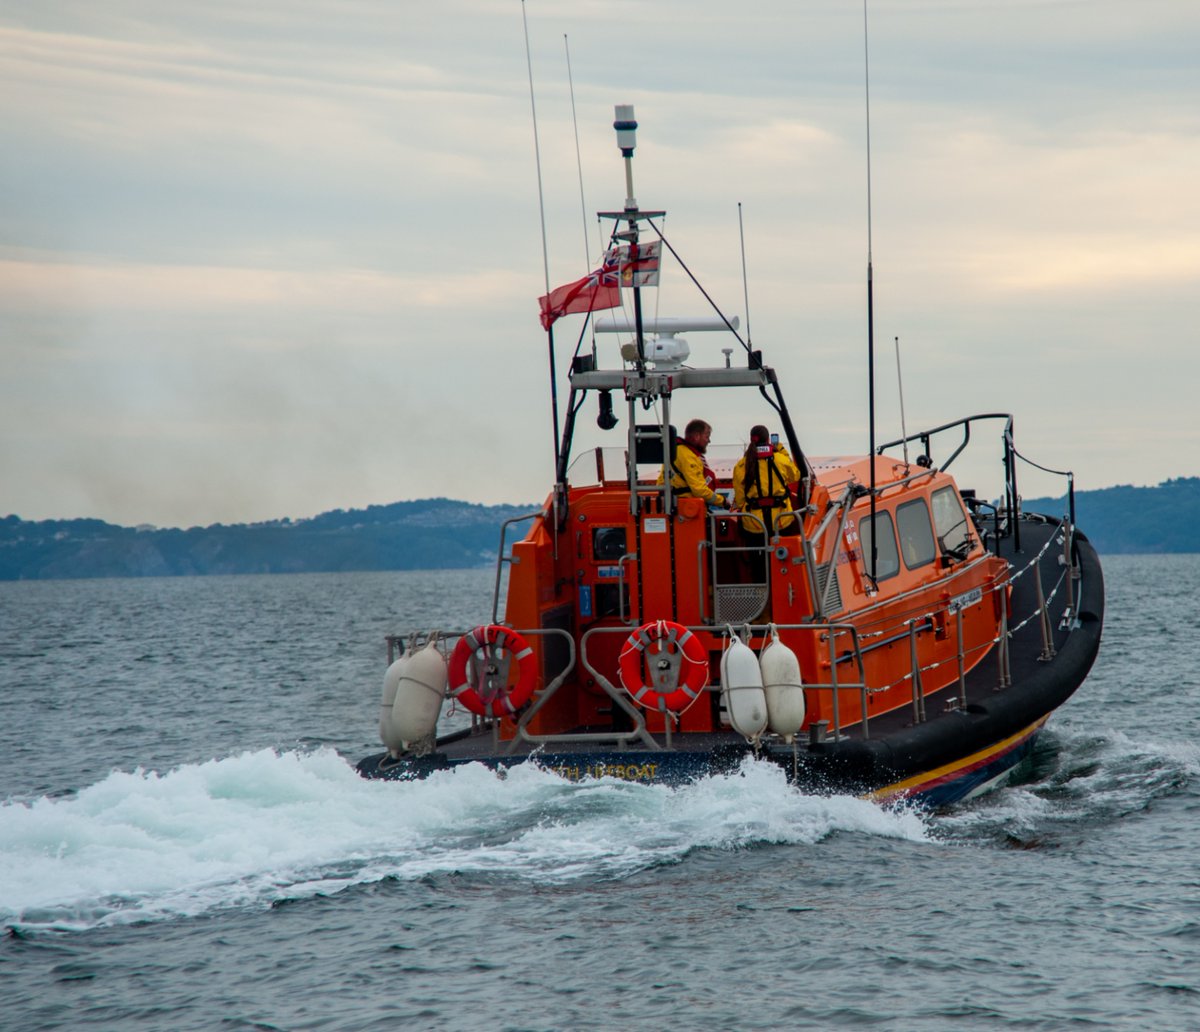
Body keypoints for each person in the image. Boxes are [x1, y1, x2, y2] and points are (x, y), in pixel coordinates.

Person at [732, 425, 802, 538]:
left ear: (751, 439)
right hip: (781, 520)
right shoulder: (781, 459)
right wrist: (782, 451)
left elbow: (740, 501)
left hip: (753, 523)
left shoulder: (741, 465)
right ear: (768, 439)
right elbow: (795, 475)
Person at [658, 418, 720, 507]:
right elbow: (699, 490)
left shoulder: (675, 451)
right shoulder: (688, 456)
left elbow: (660, 482)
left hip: (677, 506)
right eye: (707, 436)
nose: (708, 440)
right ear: (697, 436)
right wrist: (722, 501)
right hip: (688, 508)